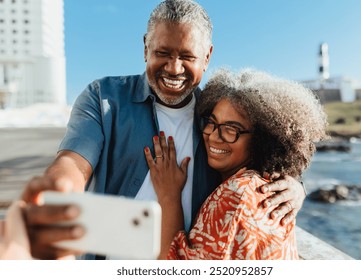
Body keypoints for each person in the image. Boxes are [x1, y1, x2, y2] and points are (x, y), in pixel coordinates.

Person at [21, 0, 306, 260]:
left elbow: (264, 152)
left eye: (187, 56)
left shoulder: (215, 114)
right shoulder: (103, 97)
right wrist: (56, 191)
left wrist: (296, 186)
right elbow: (73, 161)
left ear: (207, 57)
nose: (174, 68)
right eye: (162, 53)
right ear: (145, 47)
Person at [145, 68, 328, 259]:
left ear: (262, 139)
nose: (215, 136)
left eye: (232, 129)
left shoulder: (237, 195)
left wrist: (169, 196)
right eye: (211, 122)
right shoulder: (261, 186)